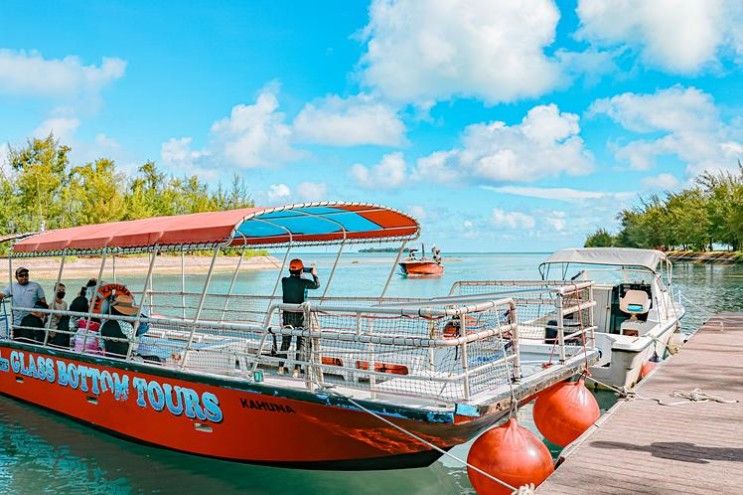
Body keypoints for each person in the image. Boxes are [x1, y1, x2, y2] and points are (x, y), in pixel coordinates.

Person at [278, 258, 320, 377]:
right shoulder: (304, 282)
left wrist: (300, 272)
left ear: (289, 270)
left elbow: (293, 279)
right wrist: (314, 274)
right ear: (302, 270)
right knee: (300, 342)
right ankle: (296, 370)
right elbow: (317, 285)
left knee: (285, 341)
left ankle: (280, 367)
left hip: (287, 315)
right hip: (300, 316)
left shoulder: (284, 281)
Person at [100, 293, 138, 358]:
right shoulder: (127, 326)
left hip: (109, 356)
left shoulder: (104, 324)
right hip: (124, 358)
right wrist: (136, 329)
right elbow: (134, 347)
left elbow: (101, 344)